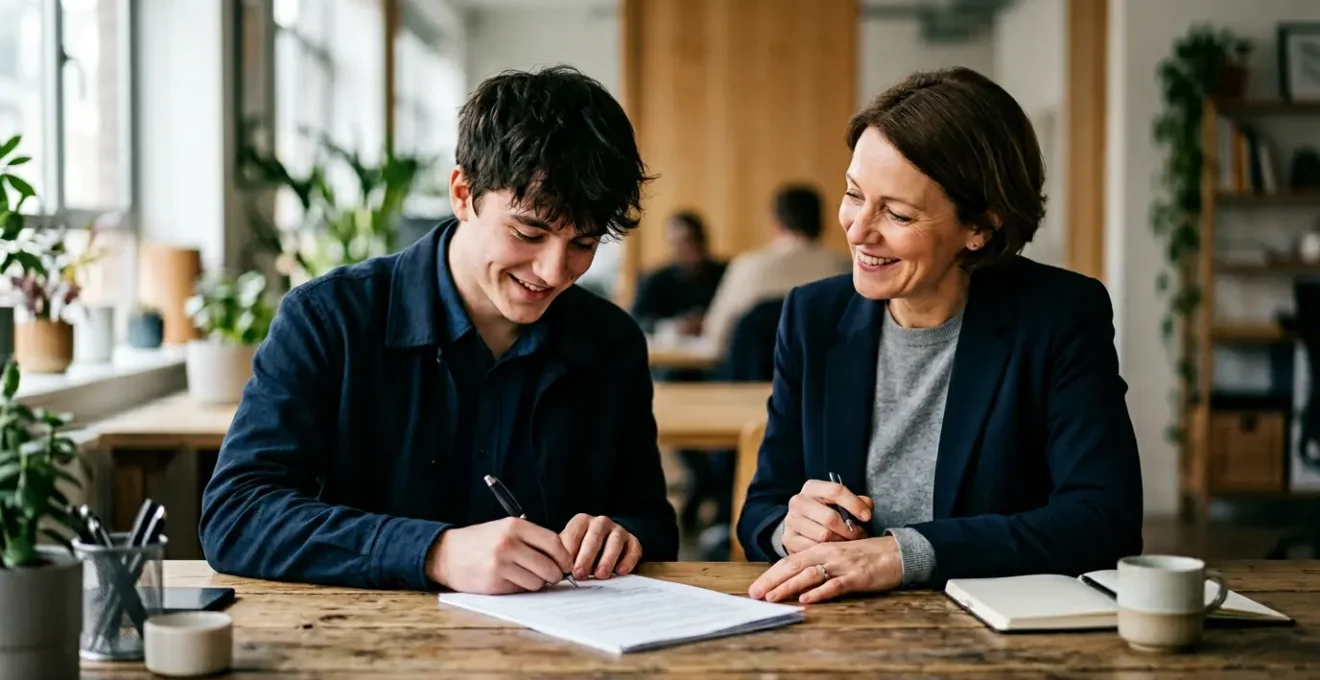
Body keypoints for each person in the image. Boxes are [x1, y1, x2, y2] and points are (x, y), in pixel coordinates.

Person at [199, 66, 679, 593]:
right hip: (363, 634)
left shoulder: (611, 342)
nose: (553, 271)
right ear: (462, 193)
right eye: (528, 233)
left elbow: (652, 522)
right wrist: (434, 552)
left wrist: (623, 535)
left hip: (561, 636)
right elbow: (237, 515)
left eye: (583, 244)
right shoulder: (329, 319)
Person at [737, 66, 1143, 605]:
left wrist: (902, 555)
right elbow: (761, 506)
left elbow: (1104, 520)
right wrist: (788, 529)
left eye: (897, 214)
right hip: (840, 627)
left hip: (998, 628)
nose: (858, 230)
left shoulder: (1060, 316)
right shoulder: (812, 315)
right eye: (854, 194)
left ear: (980, 228)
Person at [698, 185, 851, 356]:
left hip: (754, 372)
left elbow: (716, 337)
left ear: (776, 222)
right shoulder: (847, 269)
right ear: (822, 224)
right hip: (827, 371)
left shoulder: (747, 267)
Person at [631, 211, 727, 336]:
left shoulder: (726, 274)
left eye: (687, 241)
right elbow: (637, 320)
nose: (681, 249)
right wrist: (673, 325)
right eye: (675, 243)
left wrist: (710, 321)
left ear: (702, 242)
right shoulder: (654, 280)